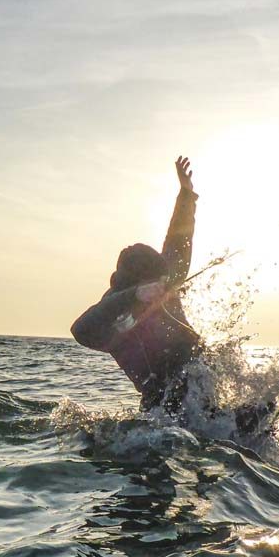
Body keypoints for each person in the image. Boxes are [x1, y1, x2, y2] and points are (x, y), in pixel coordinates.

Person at [70, 156, 202, 414]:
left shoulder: (165, 280)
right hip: (162, 405)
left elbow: (177, 241)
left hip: (200, 381)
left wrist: (186, 195)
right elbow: (80, 330)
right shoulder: (112, 310)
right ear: (138, 282)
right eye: (155, 282)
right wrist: (136, 296)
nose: (164, 284)